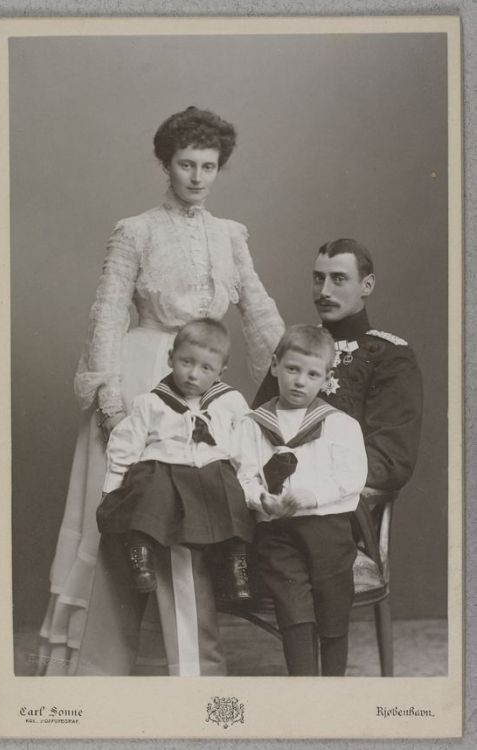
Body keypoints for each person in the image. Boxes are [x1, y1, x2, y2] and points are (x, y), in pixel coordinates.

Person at [37, 106, 284, 676]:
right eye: (185, 164)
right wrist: (109, 398)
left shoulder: (230, 236)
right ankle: (99, 667)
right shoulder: (136, 231)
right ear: (165, 164)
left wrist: (291, 382)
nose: (197, 177)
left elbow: (258, 308)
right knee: (119, 516)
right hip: (140, 375)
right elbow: (106, 315)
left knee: (186, 523)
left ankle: (193, 672)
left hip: (204, 381)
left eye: (209, 166)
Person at [234, 325, 368, 676]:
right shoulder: (251, 424)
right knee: (293, 610)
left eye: (312, 374)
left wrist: (312, 495)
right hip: (277, 533)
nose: (300, 381)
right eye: (292, 369)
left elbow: (352, 478)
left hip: (329, 532)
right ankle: (303, 689)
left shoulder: (340, 425)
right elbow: (243, 476)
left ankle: (333, 685)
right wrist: (262, 499)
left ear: (326, 378)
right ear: (276, 365)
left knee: (332, 607)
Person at [96, 318, 253, 601]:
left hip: (210, 470)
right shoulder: (151, 402)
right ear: (170, 358)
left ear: (221, 371)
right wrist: (111, 485)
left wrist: (248, 483)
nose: (194, 374)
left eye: (206, 368)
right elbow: (124, 443)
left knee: (231, 492)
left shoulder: (230, 402)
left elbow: (246, 444)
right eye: (186, 362)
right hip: (163, 469)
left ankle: (235, 562)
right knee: (146, 489)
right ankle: (140, 555)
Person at [252, 238, 422, 493]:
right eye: (319, 279)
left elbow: (389, 461)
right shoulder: (294, 348)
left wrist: (305, 485)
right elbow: (258, 424)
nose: (324, 292)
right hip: (271, 491)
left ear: (367, 285)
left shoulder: (390, 356)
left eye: (338, 279)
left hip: (339, 503)